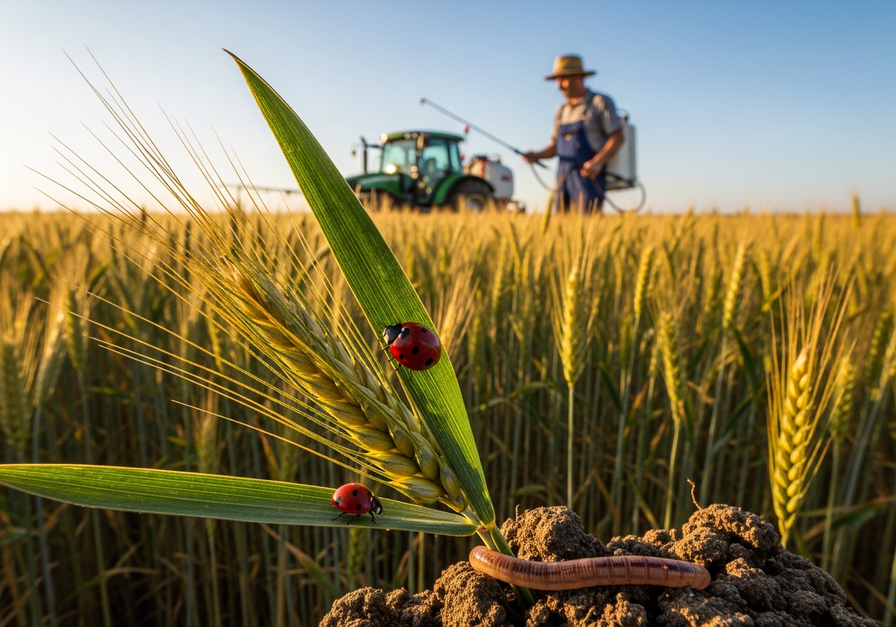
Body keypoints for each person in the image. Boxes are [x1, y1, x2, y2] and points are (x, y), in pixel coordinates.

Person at [524, 55, 625, 214]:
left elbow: (618, 137)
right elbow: (555, 148)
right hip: (563, 179)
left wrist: (598, 162)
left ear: (578, 77)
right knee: (562, 229)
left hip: (588, 178)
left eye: (563, 80)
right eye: (557, 81)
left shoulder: (599, 102)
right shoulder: (561, 111)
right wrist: (535, 155)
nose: (559, 86)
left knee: (588, 227)